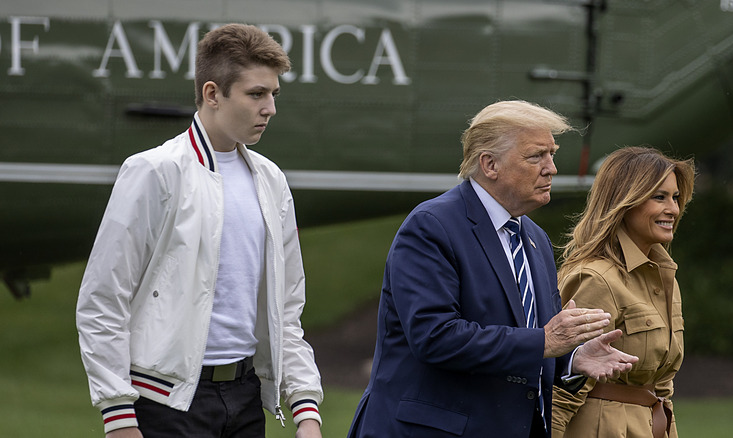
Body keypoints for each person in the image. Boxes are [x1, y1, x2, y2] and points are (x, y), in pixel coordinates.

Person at [76, 24, 323, 438]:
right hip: (166, 403)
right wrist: (117, 415)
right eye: (256, 94)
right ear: (212, 94)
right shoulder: (154, 171)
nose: (270, 109)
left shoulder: (271, 181)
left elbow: (286, 309)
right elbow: (103, 300)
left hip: (246, 398)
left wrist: (306, 409)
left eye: (273, 95)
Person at [347, 100, 638, 438]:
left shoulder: (534, 238)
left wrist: (571, 360)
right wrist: (544, 342)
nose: (551, 168)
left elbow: (529, 340)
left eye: (552, 154)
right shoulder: (432, 226)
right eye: (536, 156)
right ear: (489, 164)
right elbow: (435, 337)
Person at [551, 146, 695, 438]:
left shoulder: (665, 275)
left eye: (676, 197)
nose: (673, 209)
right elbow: (563, 385)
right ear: (625, 202)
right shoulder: (595, 278)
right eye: (660, 197)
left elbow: (661, 385)